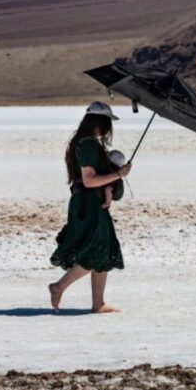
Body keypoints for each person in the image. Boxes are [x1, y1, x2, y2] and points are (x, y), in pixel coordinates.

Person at [49, 101, 132, 314]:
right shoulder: (87, 145)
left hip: (88, 203)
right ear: (100, 122)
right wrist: (118, 175)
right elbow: (89, 180)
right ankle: (59, 286)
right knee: (96, 249)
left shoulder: (83, 143)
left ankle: (98, 303)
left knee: (104, 250)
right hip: (88, 204)